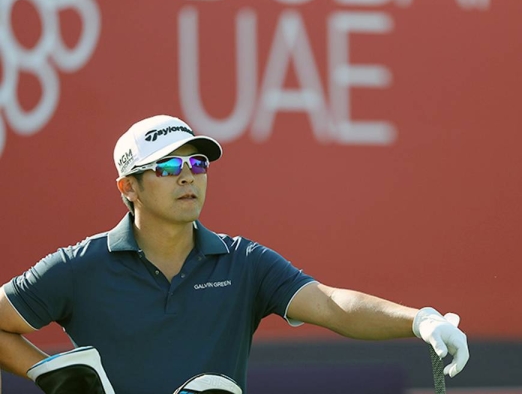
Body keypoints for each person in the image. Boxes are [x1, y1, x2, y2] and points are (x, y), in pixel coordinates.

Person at [0, 115, 469, 394]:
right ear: (129, 188)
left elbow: (330, 305)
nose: (188, 176)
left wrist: (418, 320)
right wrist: (53, 377)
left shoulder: (245, 262)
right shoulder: (80, 267)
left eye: (197, 163)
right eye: (168, 166)